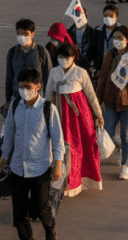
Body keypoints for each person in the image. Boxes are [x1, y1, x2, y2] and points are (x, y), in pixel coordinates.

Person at [0, 68, 64, 240]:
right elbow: (9, 132)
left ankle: (50, 226)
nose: (24, 91)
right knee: (18, 210)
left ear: (37, 87)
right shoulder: (14, 105)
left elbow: (57, 138)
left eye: (27, 87)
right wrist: (5, 155)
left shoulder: (47, 109)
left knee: (40, 207)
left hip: (40, 167)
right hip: (18, 166)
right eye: (21, 87)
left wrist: (58, 163)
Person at [44, 43, 103, 197]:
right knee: (60, 148)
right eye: (61, 57)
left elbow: (90, 94)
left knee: (80, 147)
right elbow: (49, 95)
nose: (64, 60)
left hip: (79, 116)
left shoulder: (80, 73)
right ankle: (62, 180)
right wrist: (46, 115)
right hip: (60, 114)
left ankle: (77, 182)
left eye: (67, 57)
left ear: (73, 58)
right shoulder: (54, 73)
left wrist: (98, 114)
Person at [96, 26, 128, 180]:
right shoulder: (108, 56)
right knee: (108, 133)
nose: (117, 41)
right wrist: (97, 102)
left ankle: (125, 165)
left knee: (126, 134)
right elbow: (103, 78)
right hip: (111, 101)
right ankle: (121, 147)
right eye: (115, 38)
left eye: (120, 38)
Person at [5, 19, 51, 104]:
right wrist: (8, 99)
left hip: (37, 99)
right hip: (17, 98)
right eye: (19, 33)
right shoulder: (12, 52)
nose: (22, 36)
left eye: (25, 33)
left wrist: (48, 100)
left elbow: (48, 78)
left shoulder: (41, 52)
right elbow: (9, 77)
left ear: (32, 34)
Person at [92, 4, 122, 88]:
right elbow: (93, 49)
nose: (108, 18)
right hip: (101, 68)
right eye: (105, 15)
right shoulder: (98, 30)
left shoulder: (122, 31)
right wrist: (95, 65)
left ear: (116, 17)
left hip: (116, 69)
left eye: (111, 15)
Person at [67, 8, 96, 76]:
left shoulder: (92, 32)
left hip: (88, 66)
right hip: (73, 66)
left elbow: (95, 50)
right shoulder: (70, 32)